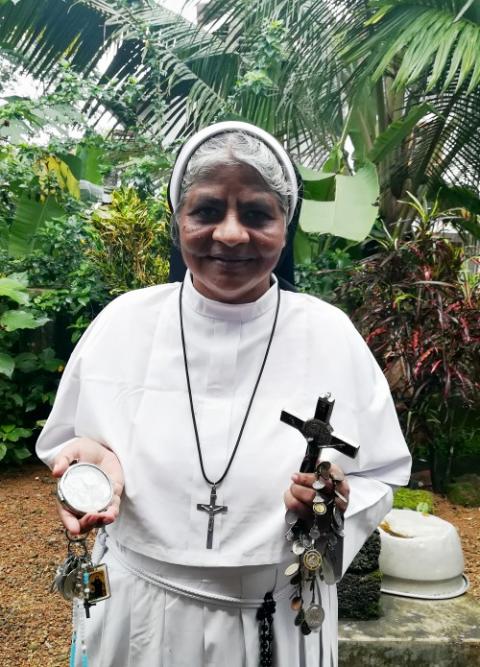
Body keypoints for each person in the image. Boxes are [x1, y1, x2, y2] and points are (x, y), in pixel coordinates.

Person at [37, 121, 411, 667]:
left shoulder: (330, 335)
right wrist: (91, 466)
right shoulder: (123, 323)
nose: (232, 234)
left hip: (278, 615)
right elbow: (73, 445)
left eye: (257, 213)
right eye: (207, 211)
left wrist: (332, 504)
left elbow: (380, 472)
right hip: (139, 612)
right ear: (177, 221)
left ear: (286, 227)